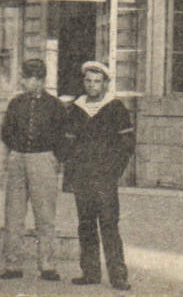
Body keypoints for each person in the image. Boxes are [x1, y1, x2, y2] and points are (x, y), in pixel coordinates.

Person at [63, 61, 132, 291]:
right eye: (89, 81)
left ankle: (118, 276)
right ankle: (90, 272)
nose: (92, 85)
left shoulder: (116, 108)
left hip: (105, 179)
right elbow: (68, 144)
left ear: (105, 84)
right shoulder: (76, 109)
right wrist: (72, 174)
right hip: (82, 178)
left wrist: (113, 172)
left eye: (97, 81)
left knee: (109, 226)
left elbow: (126, 145)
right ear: (84, 82)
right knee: (86, 225)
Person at [0, 58, 66, 282]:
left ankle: (47, 265)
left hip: (43, 159)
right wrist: (15, 151)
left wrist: (54, 158)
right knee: (13, 214)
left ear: (40, 80)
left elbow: (63, 135)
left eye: (28, 78)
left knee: (45, 215)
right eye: (25, 77)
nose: (24, 82)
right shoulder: (15, 103)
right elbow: (6, 131)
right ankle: (13, 264)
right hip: (17, 159)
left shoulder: (55, 105)